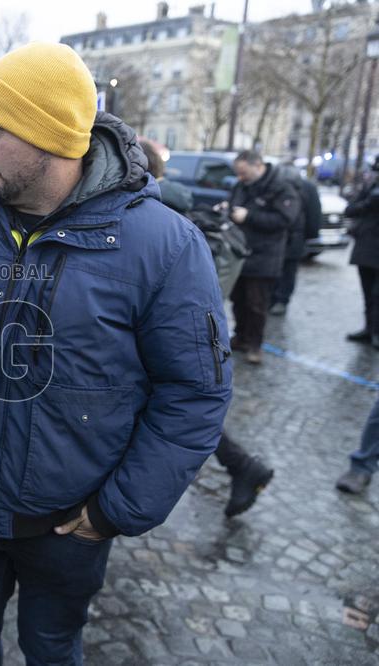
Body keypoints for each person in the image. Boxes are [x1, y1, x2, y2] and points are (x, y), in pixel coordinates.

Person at [0, 42, 231, 665]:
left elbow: (194, 393)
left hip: (68, 528)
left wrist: (114, 510)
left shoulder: (164, 245)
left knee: (52, 651)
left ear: (49, 137)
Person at [141, 142, 273, 518]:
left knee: (174, 405)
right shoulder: (176, 200)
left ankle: (243, 466)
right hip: (179, 322)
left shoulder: (154, 207)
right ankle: (242, 466)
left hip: (161, 324)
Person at [221, 150, 301, 364]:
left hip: (265, 255)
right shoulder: (242, 185)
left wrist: (249, 216)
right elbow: (233, 204)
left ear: (258, 166)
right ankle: (241, 337)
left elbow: (286, 219)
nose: (241, 177)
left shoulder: (282, 188)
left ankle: (255, 345)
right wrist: (226, 209)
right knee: (238, 299)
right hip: (239, 252)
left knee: (257, 304)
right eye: (238, 173)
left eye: (244, 173)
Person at [270, 166, 322, 316]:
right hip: (293, 237)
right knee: (287, 271)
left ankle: (278, 299)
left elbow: (313, 214)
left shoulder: (300, 188)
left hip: (290, 237)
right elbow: (314, 215)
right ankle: (280, 299)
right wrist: (310, 236)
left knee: (285, 270)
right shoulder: (307, 187)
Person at [345, 156, 379, 348]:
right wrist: (369, 203)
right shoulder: (370, 189)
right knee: (368, 292)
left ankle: (376, 331)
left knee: (377, 294)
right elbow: (350, 209)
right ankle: (369, 328)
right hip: (366, 248)